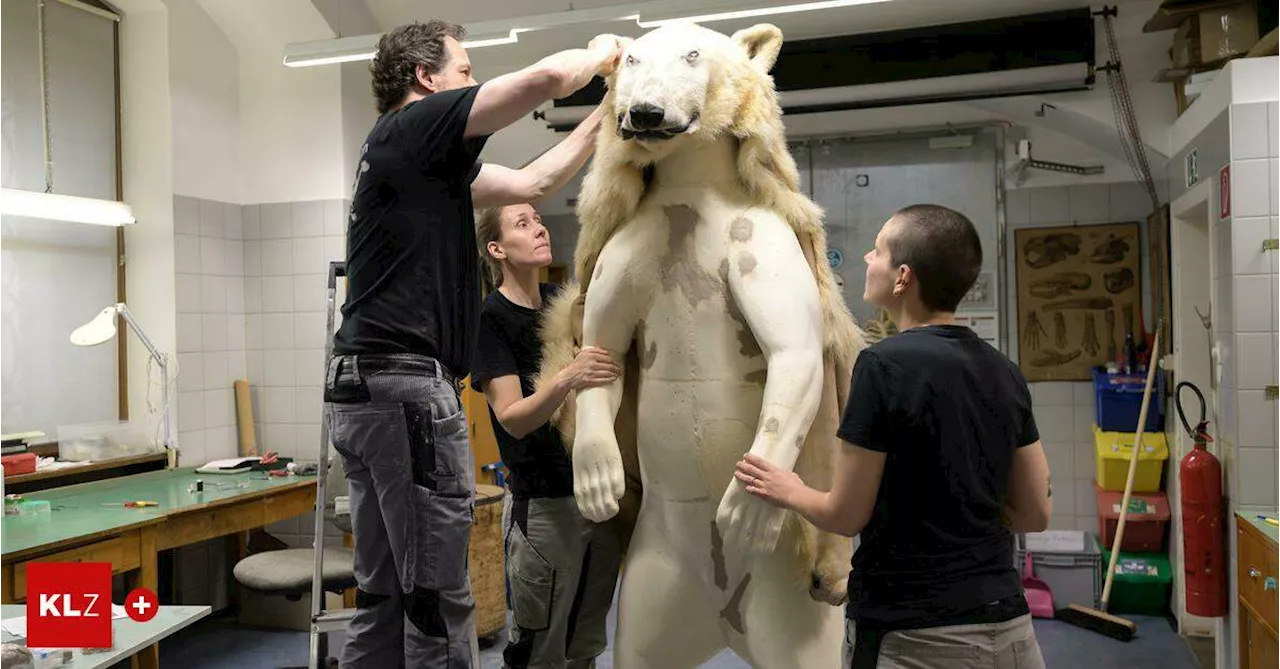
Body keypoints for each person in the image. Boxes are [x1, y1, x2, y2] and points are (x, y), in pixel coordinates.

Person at [323, 19, 624, 668]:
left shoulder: (420, 163)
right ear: (426, 79)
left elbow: (535, 183)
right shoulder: (416, 125)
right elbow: (544, 79)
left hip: (365, 390)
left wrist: (610, 106)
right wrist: (602, 56)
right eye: (464, 72)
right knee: (437, 600)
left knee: (384, 597)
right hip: (404, 390)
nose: (472, 83)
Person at [733, 204, 1052, 669]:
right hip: (1010, 630)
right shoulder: (1004, 371)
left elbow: (845, 515)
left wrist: (791, 490)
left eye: (878, 251)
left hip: (914, 637)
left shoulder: (882, 367)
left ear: (902, 278)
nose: (866, 258)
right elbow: (1035, 512)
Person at [470, 203, 623, 668]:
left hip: (597, 497)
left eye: (538, 219)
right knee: (540, 649)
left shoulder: (566, 301)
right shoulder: (489, 320)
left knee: (586, 644)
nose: (538, 228)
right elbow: (514, 416)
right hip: (544, 508)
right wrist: (568, 376)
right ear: (496, 249)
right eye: (523, 224)